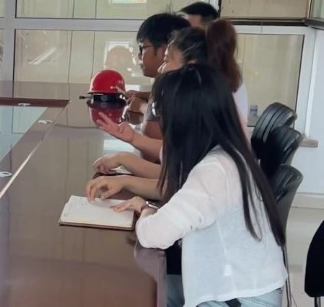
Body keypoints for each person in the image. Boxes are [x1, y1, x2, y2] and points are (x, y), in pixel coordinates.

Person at [104, 65, 287, 307]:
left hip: (237, 298)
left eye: (161, 112)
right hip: (238, 288)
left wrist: (146, 210)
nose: (162, 121)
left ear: (185, 118)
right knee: (139, 287)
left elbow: (153, 235)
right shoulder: (228, 154)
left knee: (128, 291)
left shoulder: (215, 171)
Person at [94, 19, 248, 179]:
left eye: (167, 60)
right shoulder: (205, 98)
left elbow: (173, 179)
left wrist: (125, 161)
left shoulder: (204, 109)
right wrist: (131, 143)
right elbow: (177, 170)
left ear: (190, 66)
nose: (161, 68)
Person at [122, 13, 190, 162]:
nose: (139, 55)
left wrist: (141, 106)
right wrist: (143, 96)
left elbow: (168, 152)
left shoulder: (172, 90)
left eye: (143, 48)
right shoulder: (171, 85)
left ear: (165, 50)